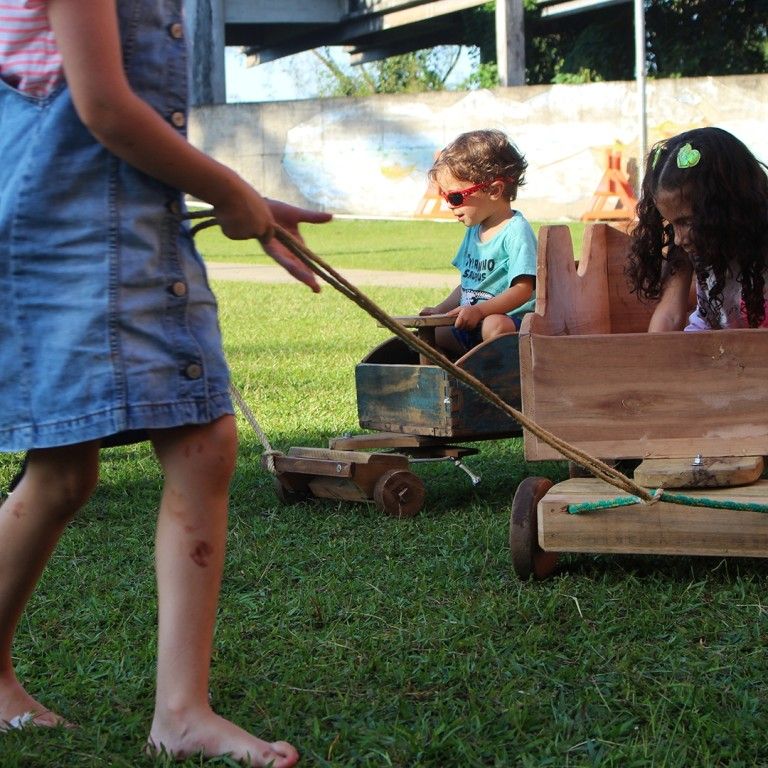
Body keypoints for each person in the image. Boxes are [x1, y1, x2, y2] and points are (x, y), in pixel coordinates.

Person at [0, 0, 331, 765]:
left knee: (123, 458)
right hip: (71, 236)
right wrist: (229, 191)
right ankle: (179, 712)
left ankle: (181, 711)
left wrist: (234, 197)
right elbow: (106, 107)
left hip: (128, 226)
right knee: (84, 464)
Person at [627, 127, 768, 332]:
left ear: (726, 206)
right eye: (672, 224)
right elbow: (669, 317)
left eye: (686, 221)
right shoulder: (689, 250)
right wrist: (656, 360)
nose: (678, 239)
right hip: (705, 349)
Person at [419, 129, 536, 357]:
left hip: (512, 322)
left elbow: (523, 290)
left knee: (495, 325)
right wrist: (440, 311)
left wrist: (480, 311)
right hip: (474, 320)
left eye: (455, 197)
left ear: (494, 190)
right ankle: (458, 374)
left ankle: (493, 374)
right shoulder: (474, 230)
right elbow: (466, 286)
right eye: (444, 196)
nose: (449, 205)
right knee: (436, 333)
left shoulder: (516, 231)